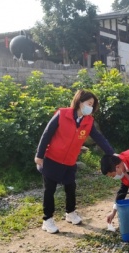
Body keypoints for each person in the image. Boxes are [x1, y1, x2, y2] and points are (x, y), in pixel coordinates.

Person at [35, 89, 114, 234]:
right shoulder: (62, 114)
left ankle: (70, 213)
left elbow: (99, 138)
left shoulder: (88, 121)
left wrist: (111, 152)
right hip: (52, 158)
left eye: (92, 105)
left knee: (71, 187)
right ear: (79, 102)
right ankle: (47, 219)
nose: (90, 107)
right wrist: (39, 155)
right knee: (49, 190)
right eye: (88, 103)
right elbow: (46, 134)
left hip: (70, 161)